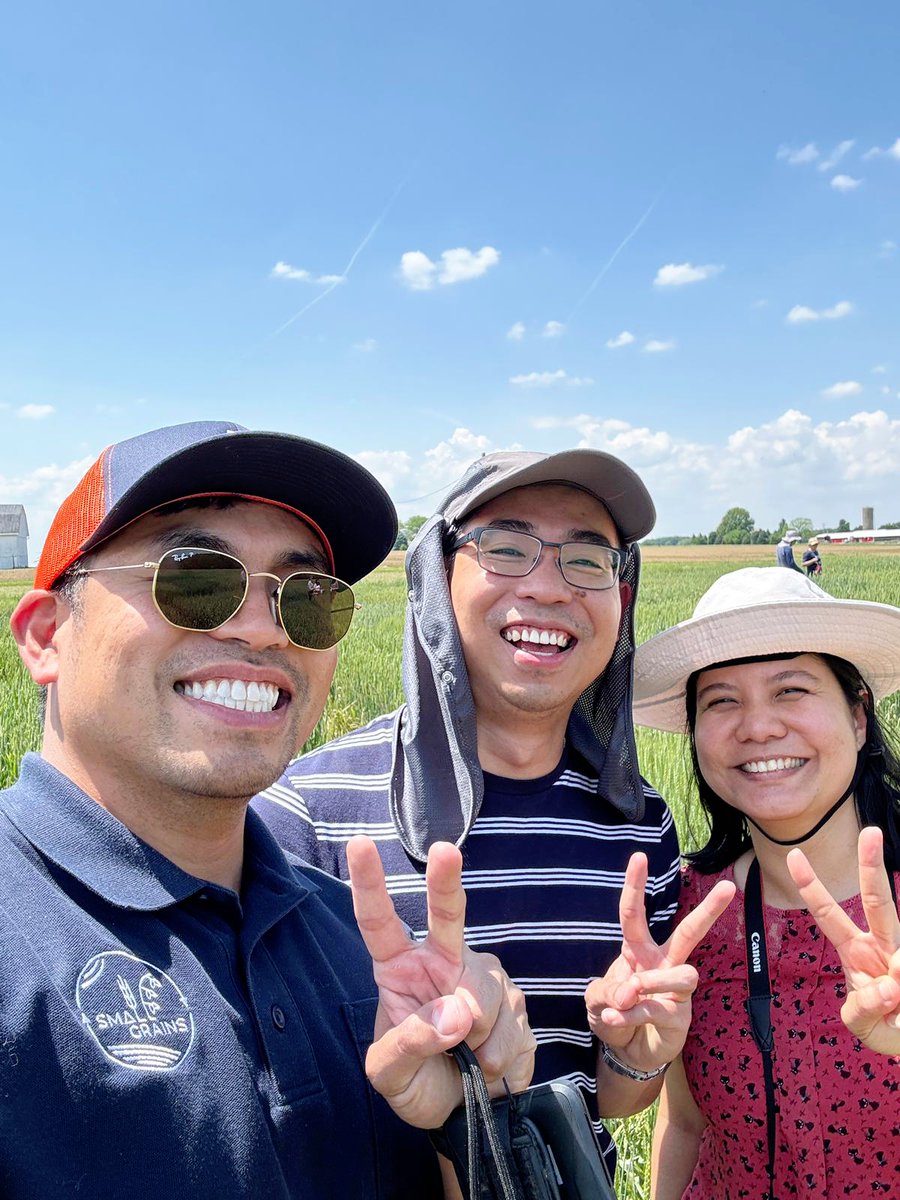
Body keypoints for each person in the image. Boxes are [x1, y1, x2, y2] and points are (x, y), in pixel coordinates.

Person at [1, 420, 535, 1200]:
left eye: (308, 598)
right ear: (47, 636)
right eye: (192, 576)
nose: (260, 627)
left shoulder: (353, 936)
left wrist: (466, 1122)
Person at [254, 448, 734, 1175]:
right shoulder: (305, 815)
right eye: (505, 549)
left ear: (621, 599)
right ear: (439, 581)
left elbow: (607, 1097)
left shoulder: (640, 829)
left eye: (587, 558)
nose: (547, 586)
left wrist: (637, 1058)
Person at [632, 567, 900, 1200]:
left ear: (858, 716)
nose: (757, 728)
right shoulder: (695, 907)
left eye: (791, 690)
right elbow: (687, 1121)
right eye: (721, 700)